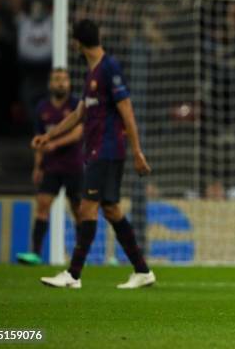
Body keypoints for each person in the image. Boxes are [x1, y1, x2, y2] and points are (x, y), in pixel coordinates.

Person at [33, 19, 155, 289]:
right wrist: (49, 135)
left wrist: (137, 150)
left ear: (77, 43)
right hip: (99, 151)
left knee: (87, 208)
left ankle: (73, 274)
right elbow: (79, 114)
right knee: (111, 210)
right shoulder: (92, 74)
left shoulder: (109, 68)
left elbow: (127, 110)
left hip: (107, 150)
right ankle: (142, 270)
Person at [17, 69, 83, 265]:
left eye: (64, 79)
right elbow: (38, 139)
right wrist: (37, 166)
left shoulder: (75, 105)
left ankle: (81, 255)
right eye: (56, 79)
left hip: (73, 165)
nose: (60, 83)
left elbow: (77, 133)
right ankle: (35, 253)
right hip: (51, 166)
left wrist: (54, 143)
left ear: (69, 83)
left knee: (78, 211)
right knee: (42, 206)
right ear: (50, 84)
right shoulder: (42, 108)